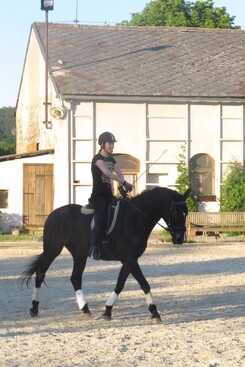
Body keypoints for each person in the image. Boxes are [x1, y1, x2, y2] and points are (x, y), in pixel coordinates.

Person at [88, 131, 133, 260]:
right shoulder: (97, 159)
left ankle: (111, 243)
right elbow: (107, 173)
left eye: (113, 144)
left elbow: (119, 173)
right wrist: (124, 182)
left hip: (109, 195)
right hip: (98, 196)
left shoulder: (112, 159)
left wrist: (122, 188)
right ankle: (93, 247)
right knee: (102, 218)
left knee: (120, 216)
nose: (112, 146)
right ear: (102, 144)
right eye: (110, 143)